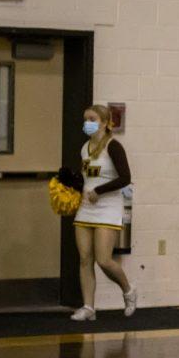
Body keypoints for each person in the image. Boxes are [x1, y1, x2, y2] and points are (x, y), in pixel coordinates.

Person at [71, 104, 137, 321]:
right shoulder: (84, 148)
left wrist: (100, 191)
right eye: (85, 119)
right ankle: (88, 307)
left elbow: (125, 177)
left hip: (107, 207)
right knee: (84, 259)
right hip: (86, 208)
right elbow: (86, 177)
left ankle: (128, 290)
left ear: (104, 121)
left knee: (104, 260)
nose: (87, 123)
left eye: (91, 118)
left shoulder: (114, 146)